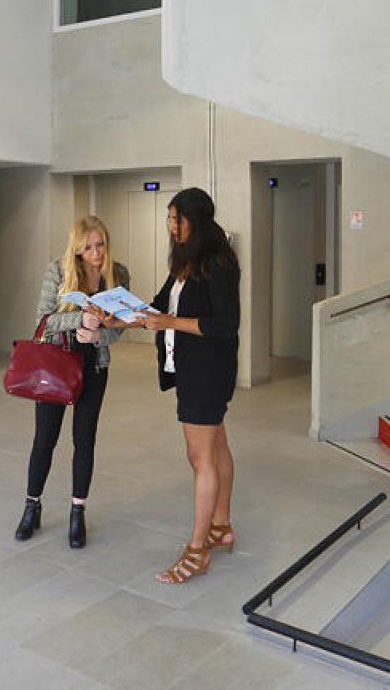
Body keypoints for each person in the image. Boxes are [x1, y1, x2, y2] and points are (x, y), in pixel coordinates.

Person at [133, 187, 241, 584]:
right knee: (217, 446)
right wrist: (118, 315)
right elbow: (160, 305)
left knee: (201, 459)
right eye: (168, 218)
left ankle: (197, 552)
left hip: (208, 371)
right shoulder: (186, 261)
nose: (171, 225)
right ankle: (220, 527)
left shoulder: (218, 261)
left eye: (176, 218)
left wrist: (169, 323)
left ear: (195, 220)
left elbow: (224, 325)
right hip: (190, 367)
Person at [14, 216, 128, 548]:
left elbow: (121, 327)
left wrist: (99, 334)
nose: (96, 253)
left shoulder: (117, 275)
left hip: (94, 367)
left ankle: (78, 512)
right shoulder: (58, 271)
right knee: (44, 439)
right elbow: (43, 321)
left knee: (85, 440)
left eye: (100, 244)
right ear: (76, 249)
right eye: (88, 247)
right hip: (56, 365)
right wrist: (81, 318)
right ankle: (31, 506)